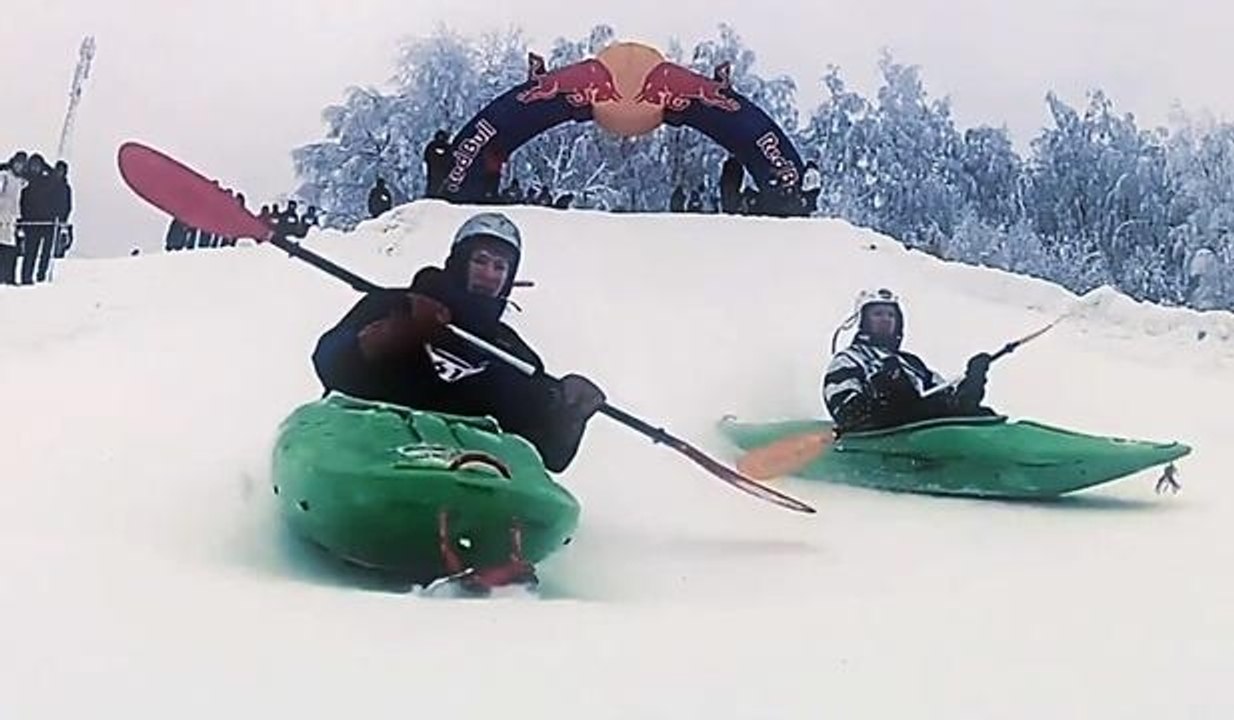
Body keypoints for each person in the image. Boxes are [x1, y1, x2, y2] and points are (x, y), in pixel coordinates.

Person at [312, 212, 606, 473]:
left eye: (500, 267)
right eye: (480, 261)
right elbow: (327, 362)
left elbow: (547, 455)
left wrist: (570, 414)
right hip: (365, 448)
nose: (489, 275)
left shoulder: (512, 352)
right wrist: (393, 334)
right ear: (458, 262)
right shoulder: (396, 304)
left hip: (461, 469)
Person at [822, 288, 994, 433]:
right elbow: (845, 410)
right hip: (886, 433)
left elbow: (948, 399)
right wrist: (887, 392)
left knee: (975, 412)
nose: (885, 319)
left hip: (929, 426)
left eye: (891, 315)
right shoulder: (848, 359)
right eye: (878, 314)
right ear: (863, 320)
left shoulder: (911, 363)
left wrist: (973, 379)